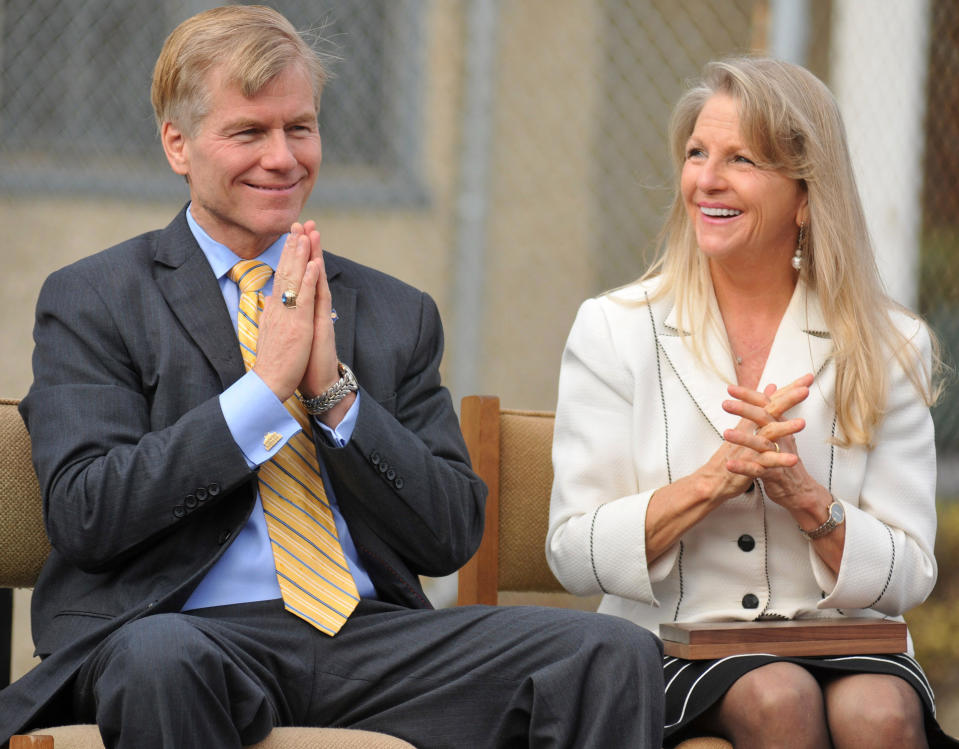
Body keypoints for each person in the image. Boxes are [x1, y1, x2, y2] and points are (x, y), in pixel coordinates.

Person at [0, 6, 665, 748]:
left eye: (300, 128)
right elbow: (88, 513)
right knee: (162, 659)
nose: (282, 157)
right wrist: (259, 394)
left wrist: (333, 394)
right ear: (177, 145)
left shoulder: (391, 311)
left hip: (367, 641)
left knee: (608, 652)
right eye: (249, 131)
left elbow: (449, 534)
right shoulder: (97, 297)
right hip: (181, 632)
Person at [547, 56, 957, 748]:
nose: (707, 179)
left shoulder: (891, 342)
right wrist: (710, 482)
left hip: (846, 644)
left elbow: (911, 571)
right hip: (672, 649)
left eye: (740, 159)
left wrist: (805, 498)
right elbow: (570, 550)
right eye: (696, 154)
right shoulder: (613, 327)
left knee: (880, 714)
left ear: (804, 195)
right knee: (776, 693)